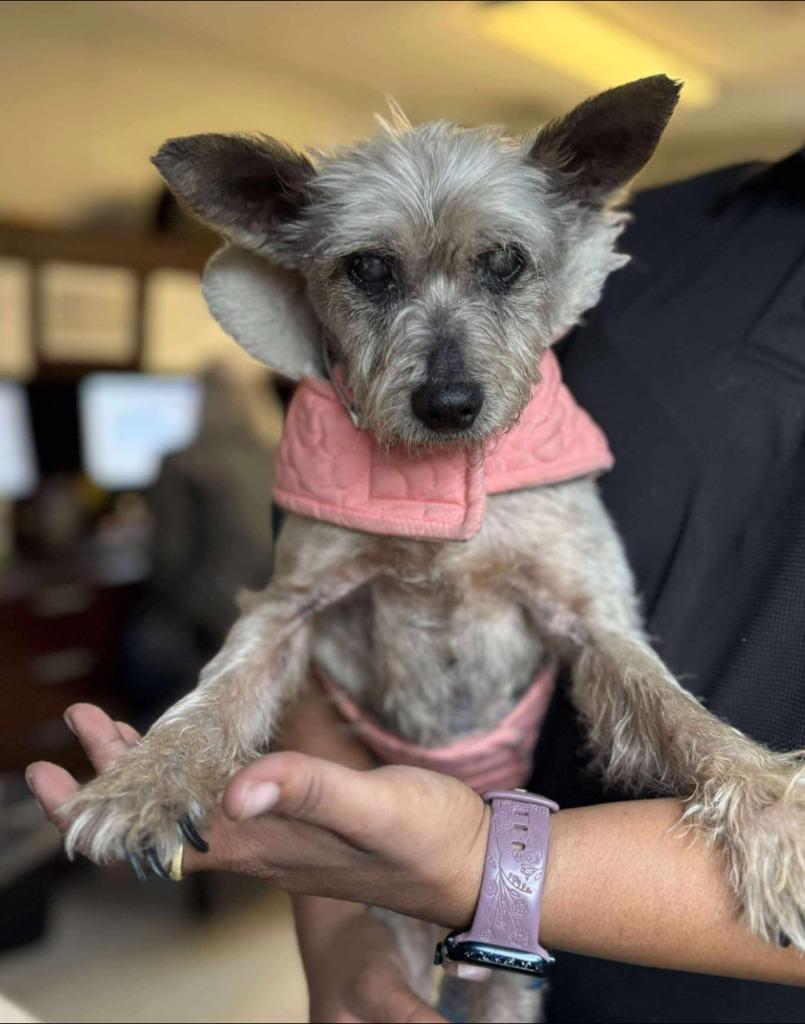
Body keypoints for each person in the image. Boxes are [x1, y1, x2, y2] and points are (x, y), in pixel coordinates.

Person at [27, 146, 805, 1023]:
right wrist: (337, 931)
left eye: (500, 268)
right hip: (401, 840)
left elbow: (600, 639)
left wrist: (483, 862)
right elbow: (299, 621)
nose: (448, 381)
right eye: (373, 273)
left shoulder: (579, 226)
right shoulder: (660, 221)